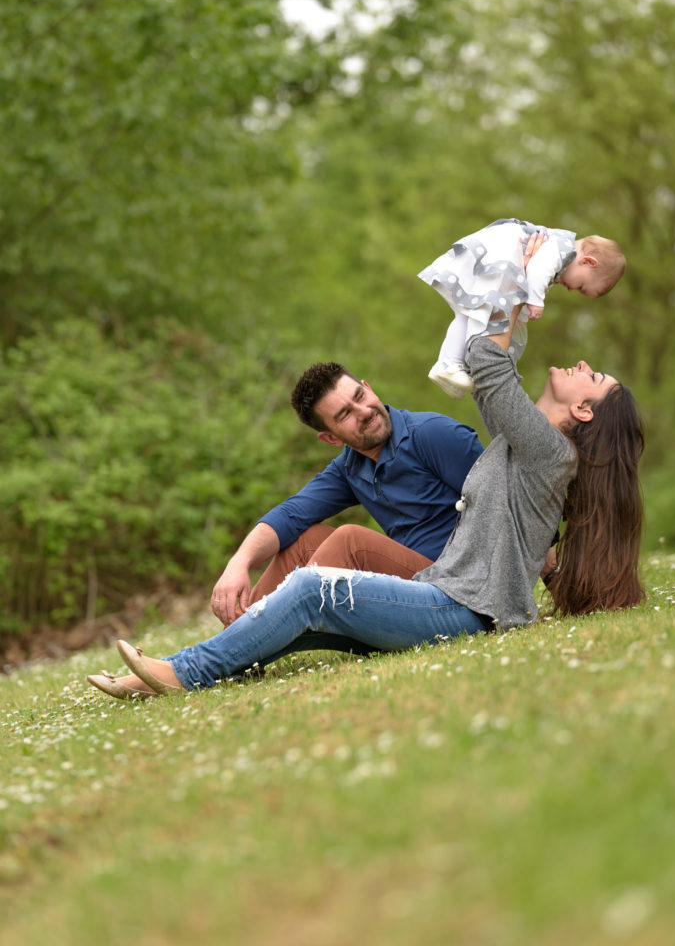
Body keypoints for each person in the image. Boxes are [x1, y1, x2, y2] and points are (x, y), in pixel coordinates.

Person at [87, 250, 645, 700]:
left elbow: (488, 365)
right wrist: (517, 296)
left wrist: (518, 277)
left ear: (584, 412)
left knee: (312, 585)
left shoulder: (549, 453)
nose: (579, 365)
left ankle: (183, 672)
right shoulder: (528, 445)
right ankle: (170, 675)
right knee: (303, 607)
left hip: (469, 612)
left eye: (590, 376)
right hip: (440, 598)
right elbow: (494, 375)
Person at [210, 361, 483, 628]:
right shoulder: (350, 468)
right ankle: (233, 647)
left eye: (360, 396)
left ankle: (230, 650)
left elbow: (504, 502)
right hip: (414, 592)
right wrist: (239, 563)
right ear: (331, 438)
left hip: (461, 596)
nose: (363, 411)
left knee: (351, 540)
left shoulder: (433, 434)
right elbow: (291, 514)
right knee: (305, 541)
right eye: (345, 415)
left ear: (368, 387)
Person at [419, 217, 626, 399]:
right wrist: (535, 300)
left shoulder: (561, 252)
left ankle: (448, 364)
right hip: (503, 252)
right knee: (479, 314)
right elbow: (538, 268)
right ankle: (459, 364)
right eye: (581, 287)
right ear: (588, 261)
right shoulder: (561, 249)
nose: (572, 290)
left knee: (469, 313)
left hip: (499, 249)